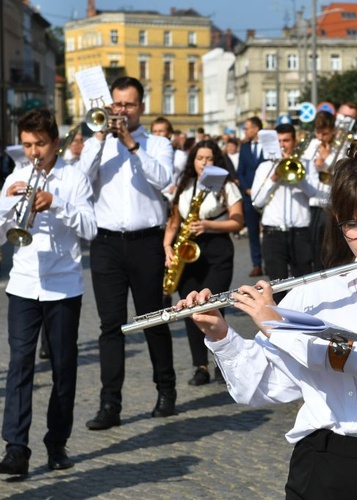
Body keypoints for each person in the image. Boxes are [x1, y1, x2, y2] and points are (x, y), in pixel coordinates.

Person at [180, 140, 357, 499]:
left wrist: (276, 322)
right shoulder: (317, 291)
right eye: (354, 226)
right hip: (318, 457)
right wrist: (220, 333)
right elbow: (261, 385)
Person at [0, 109, 97, 475]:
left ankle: (57, 443)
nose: (33, 152)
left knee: (63, 367)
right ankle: (16, 448)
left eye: (40, 144)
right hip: (24, 284)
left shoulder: (74, 178)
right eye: (27, 144)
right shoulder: (16, 176)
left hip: (63, 286)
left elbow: (90, 228)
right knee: (19, 365)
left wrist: (56, 202)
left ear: (54, 142)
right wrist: (6, 205)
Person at [78, 76, 178, 430]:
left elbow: (164, 179)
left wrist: (132, 145)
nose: (121, 111)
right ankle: (110, 404)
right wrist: (101, 138)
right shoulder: (96, 142)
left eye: (128, 105)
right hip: (105, 244)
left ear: (141, 107)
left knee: (154, 319)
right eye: (117, 104)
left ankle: (166, 390)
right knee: (110, 327)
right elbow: (80, 181)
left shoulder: (158, 143)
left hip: (146, 242)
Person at [164, 140, 243, 386]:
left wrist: (208, 225)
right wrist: (167, 246)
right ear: (193, 161)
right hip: (188, 250)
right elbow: (175, 219)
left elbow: (237, 221)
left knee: (213, 307)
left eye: (209, 158)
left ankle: (222, 362)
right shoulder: (186, 185)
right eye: (200, 159)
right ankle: (201, 366)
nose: (204, 163)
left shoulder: (227, 185)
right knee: (190, 309)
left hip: (217, 248)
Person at [251, 124, 322, 303]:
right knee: (277, 287)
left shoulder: (305, 164)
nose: (283, 145)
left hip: (300, 233)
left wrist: (297, 176)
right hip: (273, 233)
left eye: (287, 140)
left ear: (294, 142)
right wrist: (273, 178)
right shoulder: (264, 167)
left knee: (304, 285)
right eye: (279, 141)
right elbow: (257, 201)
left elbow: (313, 193)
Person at [304, 111, 336, 270]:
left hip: (331, 204)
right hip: (313, 203)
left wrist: (327, 158)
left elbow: (342, 170)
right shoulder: (311, 146)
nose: (321, 137)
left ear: (332, 131)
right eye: (318, 133)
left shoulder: (339, 147)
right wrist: (314, 165)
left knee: (330, 249)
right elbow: (302, 171)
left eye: (325, 133)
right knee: (314, 248)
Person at [237, 116, 265, 277]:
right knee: (253, 231)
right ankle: (256, 264)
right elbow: (240, 171)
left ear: (255, 129)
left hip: (266, 195)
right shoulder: (245, 147)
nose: (245, 131)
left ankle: (270, 260)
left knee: (268, 231)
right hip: (249, 195)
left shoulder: (268, 146)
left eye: (247, 128)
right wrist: (246, 188)